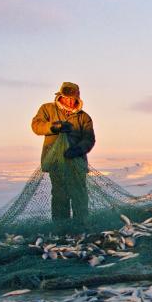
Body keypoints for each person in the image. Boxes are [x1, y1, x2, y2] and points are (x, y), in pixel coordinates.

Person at [31, 82, 95, 224]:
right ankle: (61, 228)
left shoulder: (84, 117)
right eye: (67, 98)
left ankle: (81, 227)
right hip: (56, 162)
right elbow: (36, 126)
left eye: (73, 98)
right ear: (60, 96)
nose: (70, 101)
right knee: (60, 196)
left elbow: (89, 139)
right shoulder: (47, 109)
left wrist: (78, 149)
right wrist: (53, 127)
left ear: (78, 98)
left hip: (77, 163)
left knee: (80, 196)